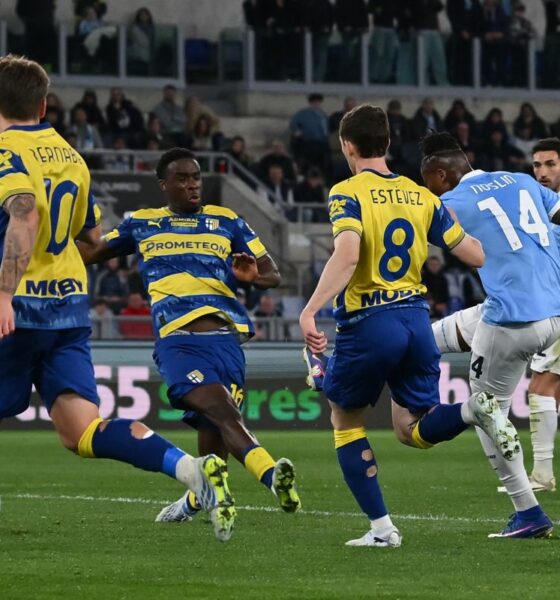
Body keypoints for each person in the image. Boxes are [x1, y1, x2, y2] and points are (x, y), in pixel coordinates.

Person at [0, 55, 235, 541]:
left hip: (15, 309)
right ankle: (190, 469)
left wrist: (5, 293)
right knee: (82, 430)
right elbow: (92, 240)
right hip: (67, 311)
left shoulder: (5, 151)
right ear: (42, 105)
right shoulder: (71, 157)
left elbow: (24, 214)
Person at [300, 104, 514, 548]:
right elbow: (474, 253)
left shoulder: (347, 192)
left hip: (370, 320)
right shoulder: (422, 197)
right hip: (417, 320)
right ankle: (471, 410)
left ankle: (382, 529)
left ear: (347, 146)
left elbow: (348, 254)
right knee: (411, 429)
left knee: (345, 416)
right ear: (388, 143)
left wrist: (310, 310)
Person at [78, 147, 301, 524]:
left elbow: (272, 274)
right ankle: (270, 473)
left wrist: (253, 278)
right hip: (179, 341)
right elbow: (90, 252)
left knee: (214, 425)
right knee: (223, 411)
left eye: (196, 177)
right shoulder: (142, 223)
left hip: (226, 341)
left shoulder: (227, 220)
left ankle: (195, 501)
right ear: (164, 185)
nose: (192, 185)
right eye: (182, 179)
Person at [421, 131, 560, 538]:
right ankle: (407, 351)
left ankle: (528, 513)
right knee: (427, 339)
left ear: (441, 174)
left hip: (513, 321)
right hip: (553, 311)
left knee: (486, 412)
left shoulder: (450, 203)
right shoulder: (521, 181)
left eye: (430, 183)